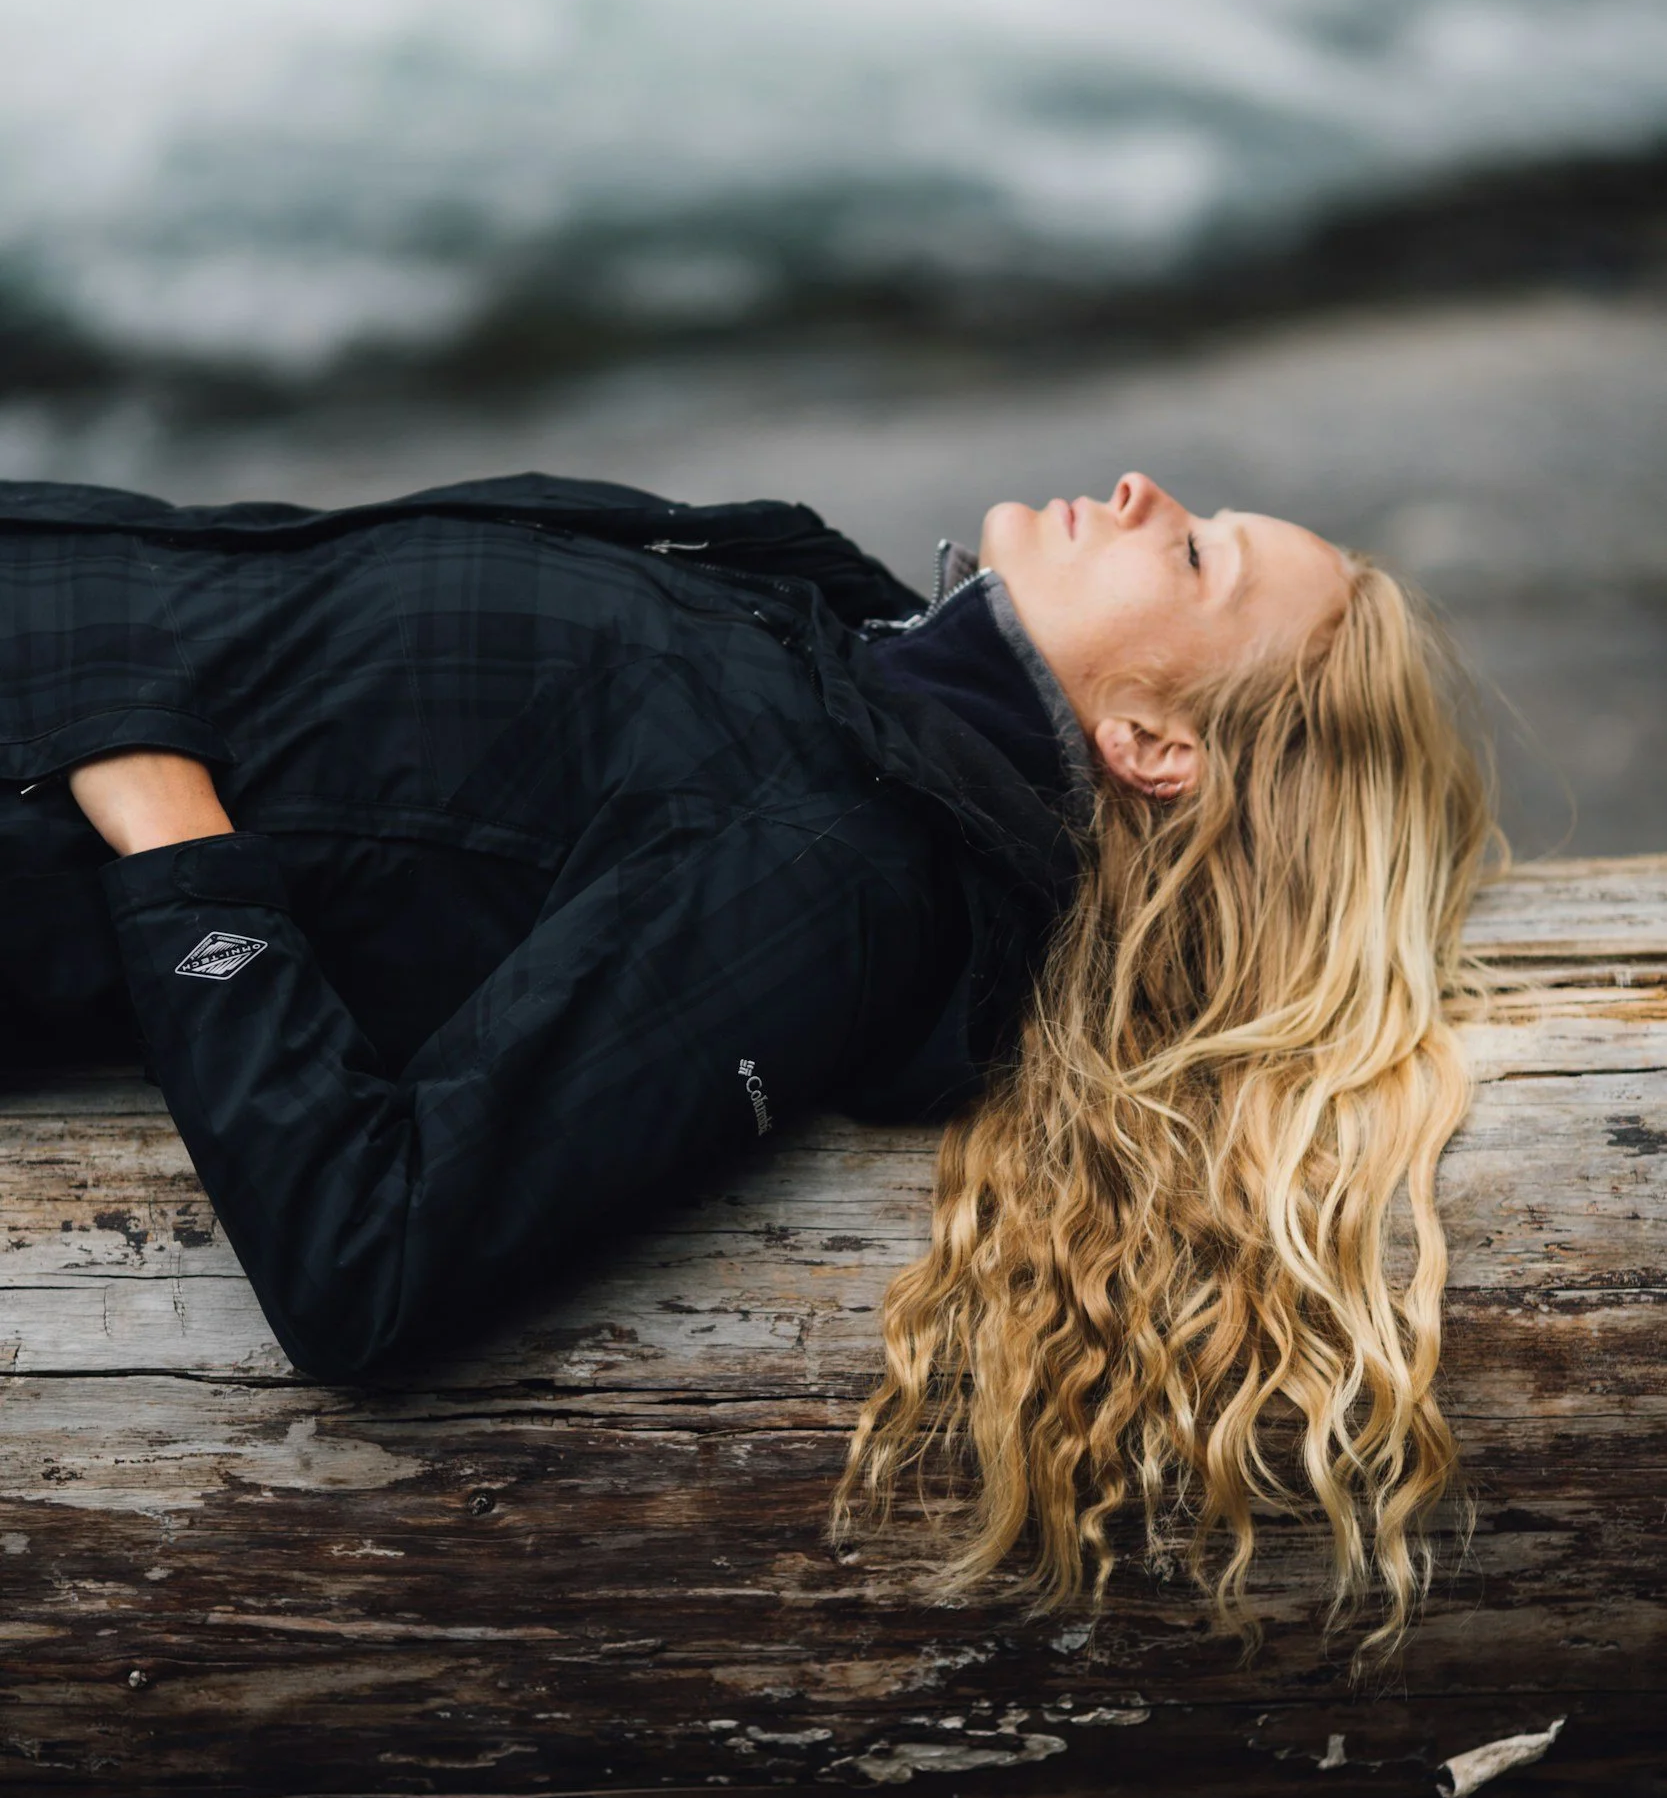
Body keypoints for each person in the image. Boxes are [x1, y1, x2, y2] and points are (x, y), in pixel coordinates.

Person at [0, 465, 1493, 1649]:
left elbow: (370, 1262)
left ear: (1153, 743)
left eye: (1188, 557)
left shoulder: (832, 870)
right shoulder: (843, 647)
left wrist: (162, 820)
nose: (1135, 490)